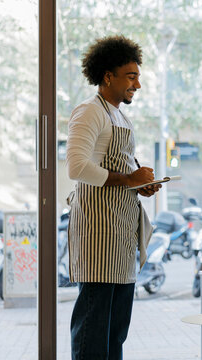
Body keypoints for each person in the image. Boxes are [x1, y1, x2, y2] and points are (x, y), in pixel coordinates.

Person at [66, 35, 161, 360]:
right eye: (130, 75)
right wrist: (129, 179)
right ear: (108, 76)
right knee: (93, 334)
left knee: (115, 334)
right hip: (97, 237)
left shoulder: (118, 115)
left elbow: (117, 174)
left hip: (119, 237)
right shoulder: (89, 112)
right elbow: (77, 167)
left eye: (138, 76)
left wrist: (139, 184)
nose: (137, 83)